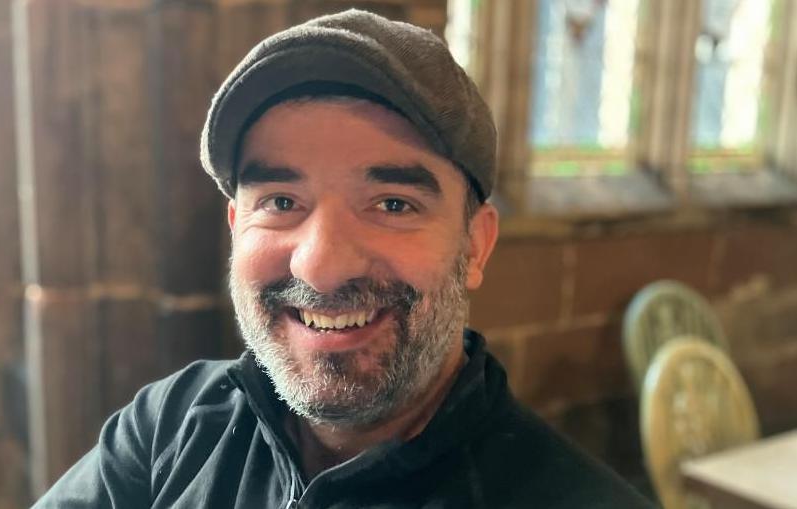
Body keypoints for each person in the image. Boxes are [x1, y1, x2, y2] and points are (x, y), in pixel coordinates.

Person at [34, 9, 655, 508]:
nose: (321, 265)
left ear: (475, 245)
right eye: (281, 200)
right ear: (235, 227)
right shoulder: (168, 428)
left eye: (391, 203)